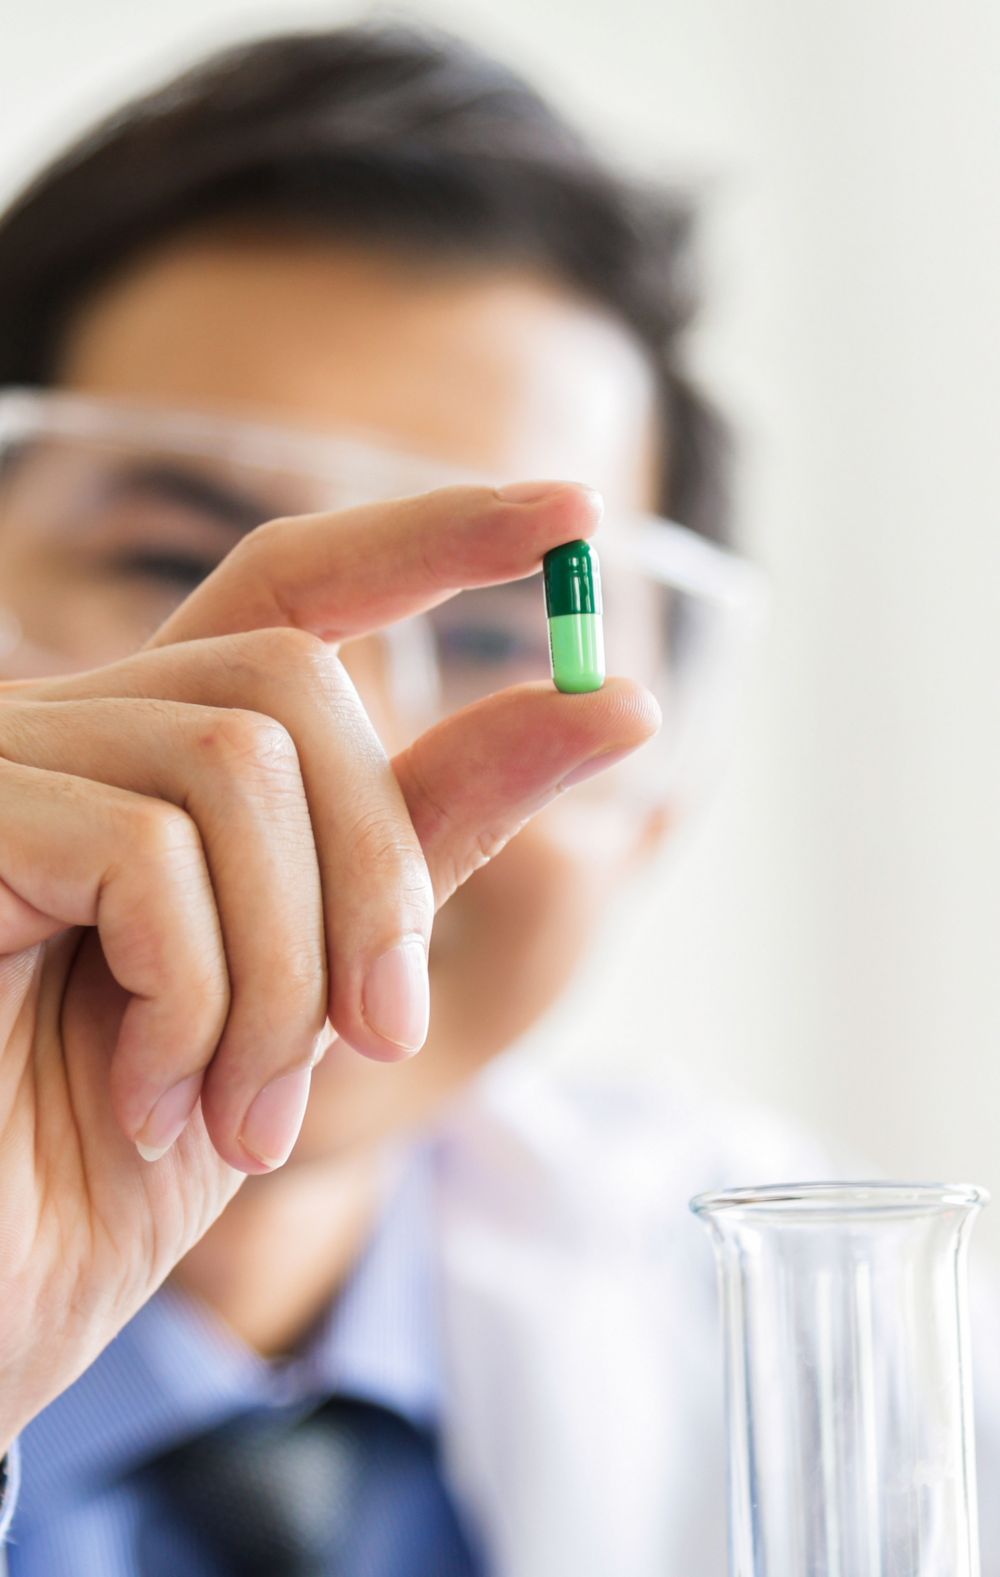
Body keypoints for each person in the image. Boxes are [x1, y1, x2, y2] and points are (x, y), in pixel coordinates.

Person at [0, 22, 995, 1577]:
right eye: (167, 563)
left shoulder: (861, 1357)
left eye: (491, 634)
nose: (321, 753)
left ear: (655, 815)